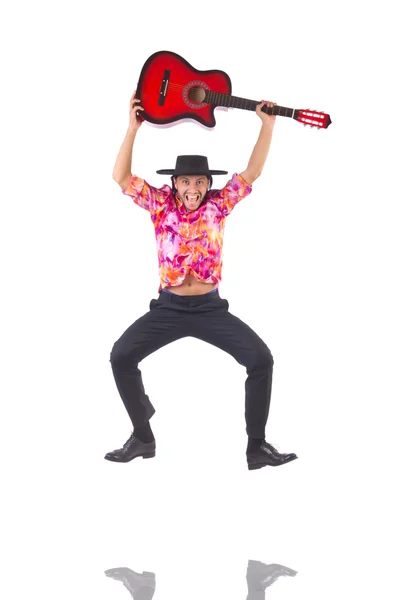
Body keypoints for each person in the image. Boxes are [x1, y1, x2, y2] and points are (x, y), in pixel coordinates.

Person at [104, 91, 297, 470]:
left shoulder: (219, 205)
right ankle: (143, 437)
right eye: (186, 181)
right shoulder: (159, 204)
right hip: (169, 308)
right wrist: (132, 129)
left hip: (210, 308)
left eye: (200, 181)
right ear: (175, 183)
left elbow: (252, 172)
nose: (193, 188)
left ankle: (256, 447)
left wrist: (267, 125)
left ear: (208, 183)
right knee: (121, 356)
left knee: (261, 360)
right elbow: (121, 177)